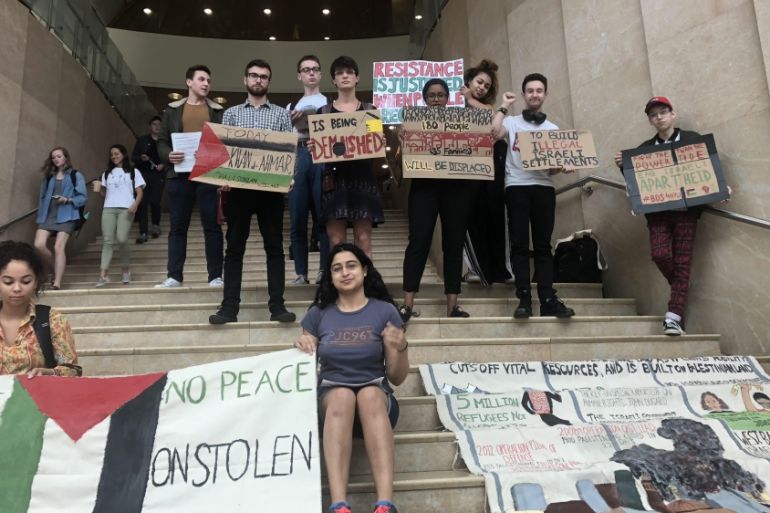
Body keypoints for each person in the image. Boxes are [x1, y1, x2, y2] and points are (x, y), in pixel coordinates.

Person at [295, 243, 408, 513]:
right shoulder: (317, 314)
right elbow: (302, 370)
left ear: (365, 270)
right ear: (330, 277)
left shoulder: (385, 312)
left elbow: (397, 377)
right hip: (331, 408)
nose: (344, 272)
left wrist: (402, 347)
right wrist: (301, 347)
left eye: (351, 265)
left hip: (377, 404)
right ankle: (339, 505)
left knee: (368, 394)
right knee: (342, 395)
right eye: (337, 269)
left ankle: (385, 504)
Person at [613, 96, 730, 336]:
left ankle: (673, 318)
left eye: (663, 112)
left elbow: (706, 168)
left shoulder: (692, 140)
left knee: (683, 262)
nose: (659, 117)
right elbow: (639, 183)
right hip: (658, 214)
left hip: (686, 213)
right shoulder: (644, 150)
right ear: (650, 120)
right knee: (660, 255)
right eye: (654, 114)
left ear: (672, 114)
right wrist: (624, 166)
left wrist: (721, 187)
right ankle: (680, 284)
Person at [208, 59, 296, 324]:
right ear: (245, 79)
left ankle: (277, 307)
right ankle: (229, 308)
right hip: (238, 190)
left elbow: (288, 152)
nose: (258, 80)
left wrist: (289, 175)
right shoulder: (231, 114)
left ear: (269, 81)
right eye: (254, 75)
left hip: (270, 192)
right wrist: (222, 176)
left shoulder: (281, 115)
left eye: (263, 76)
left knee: (275, 247)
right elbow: (223, 150)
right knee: (234, 248)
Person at [492, 73, 576, 318]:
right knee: (519, 245)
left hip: (544, 188)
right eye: (530, 91)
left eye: (539, 90)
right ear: (524, 94)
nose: (535, 94)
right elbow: (493, 133)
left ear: (545, 94)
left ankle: (548, 299)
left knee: (543, 246)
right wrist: (504, 106)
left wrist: (563, 167)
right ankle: (524, 299)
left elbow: (551, 168)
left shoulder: (552, 129)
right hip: (516, 187)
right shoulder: (512, 122)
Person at [399, 78, 472, 322]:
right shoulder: (413, 123)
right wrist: (402, 138)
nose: (437, 99)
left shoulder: (462, 122)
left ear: (448, 99)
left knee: (454, 243)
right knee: (418, 241)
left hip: (456, 187)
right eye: (432, 95)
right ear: (425, 99)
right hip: (424, 187)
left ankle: (453, 306)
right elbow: (402, 158)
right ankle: (407, 304)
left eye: (441, 95)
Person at [156, 64, 224, 288]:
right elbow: (162, 141)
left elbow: (223, 143)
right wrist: (168, 155)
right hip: (179, 175)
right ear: (189, 82)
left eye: (208, 81)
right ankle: (174, 275)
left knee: (212, 226)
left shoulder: (217, 111)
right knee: (177, 226)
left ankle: (215, 275)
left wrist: (209, 153)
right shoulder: (172, 110)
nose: (206, 84)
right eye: (201, 79)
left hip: (207, 174)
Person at [318, 56, 384, 257]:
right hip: (334, 180)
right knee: (336, 241)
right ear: (334, 80)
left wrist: (379, 142)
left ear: (357, 78)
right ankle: (337, 277)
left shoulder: (371, 111)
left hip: (363, 178)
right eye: (339, 73)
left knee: (363, 239)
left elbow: (375, 145)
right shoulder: (322, 112)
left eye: (349, 72)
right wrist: (315, 146)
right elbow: (320, 148)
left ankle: (366, 278)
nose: (345, 76)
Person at [461, 60, 512, 285]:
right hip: (466, 174)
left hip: (492, 171)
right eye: (479, 82)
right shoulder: (455, 108)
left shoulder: (492, 110)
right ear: (469, 81)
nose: (482, 87)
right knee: (472, 220)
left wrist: (471, 100)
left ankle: (500, 269)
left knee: (496, 217)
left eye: (487, 86)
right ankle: (476, 268)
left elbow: (493, 126)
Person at [0, 240, 81, 376]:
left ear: (36, 282)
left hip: (40, 390)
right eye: (8, 282)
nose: (17, 288)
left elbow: (73, 371)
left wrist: (50, 373)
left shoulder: (52, 320)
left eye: (26, 281)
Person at [287, 54, 330, 285]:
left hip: (323, 157)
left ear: (320, 74)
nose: (311, 73)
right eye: (306, 70)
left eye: (314, 69)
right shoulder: (290, 107)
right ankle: (300, 272)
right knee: (297, 218)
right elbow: (285, 141)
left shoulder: (330, 104)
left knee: (324, 217)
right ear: (299, 76)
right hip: (298, 156)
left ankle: (324, 270)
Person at [33, 147, 87, 290]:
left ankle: (57, 282)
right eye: (53, 157)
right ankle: (55, 270)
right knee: (39, 245)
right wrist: (41, 215)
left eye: (59, 156)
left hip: (67, 215)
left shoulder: (75, 175)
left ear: (65, 157)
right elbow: (42, 198)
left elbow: (82, 197)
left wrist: (67, 199)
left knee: (58, 247)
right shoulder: (48, 176)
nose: (56, 159)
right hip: (48, 215)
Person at [95, 144, 145, 287]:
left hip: (126, 209)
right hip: (108, 208)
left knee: (122, 239)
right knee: (107, 241)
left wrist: (135, 204)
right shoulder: (107, 173)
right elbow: (105, 194)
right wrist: (99, 190)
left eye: (116, 154)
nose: (114, 156)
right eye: (112, 154)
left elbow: (140, 192)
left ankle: (126, 270)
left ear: (123, 154)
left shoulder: (133, 171)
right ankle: (103, 276)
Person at [131, 115, 166, 243]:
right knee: (142, 203)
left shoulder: (165, 141)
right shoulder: (142, 140)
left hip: (158, 175)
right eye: (154, 124)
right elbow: (133, 157)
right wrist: (142, 158)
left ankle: (156, 226)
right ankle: (143, 232)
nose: (157, 126)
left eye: (159, 124)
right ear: (149, 126)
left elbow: (170, 158)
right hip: (143, 175)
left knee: (155, 201)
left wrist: (164, 165)